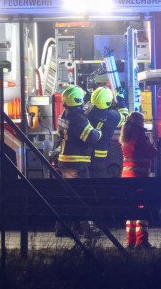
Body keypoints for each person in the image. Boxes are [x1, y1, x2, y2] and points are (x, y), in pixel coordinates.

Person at [55, 85, 102, 239]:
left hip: (64, 161)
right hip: (76, 163)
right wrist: (99, 130)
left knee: (69, 196)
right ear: (78, 100)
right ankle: (88, 229)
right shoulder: (79, 119)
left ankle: (63, 227)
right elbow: (91, 137)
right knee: (84, 196)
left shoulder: (63, 115)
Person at [120, 111, 157, 249]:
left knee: (131, 209)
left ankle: (130, 241)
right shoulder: (140, 136)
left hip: (126, 176)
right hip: (139, 177)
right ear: (139, 122)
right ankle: (141, 241)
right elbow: (152, 152)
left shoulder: (126, 135)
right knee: (141, 208)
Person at [86, 86, 128, 178]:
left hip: (86, 156)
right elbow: (125, 117)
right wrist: (121, 99)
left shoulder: (87, 113)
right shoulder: (113, 115)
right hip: (101, 157)